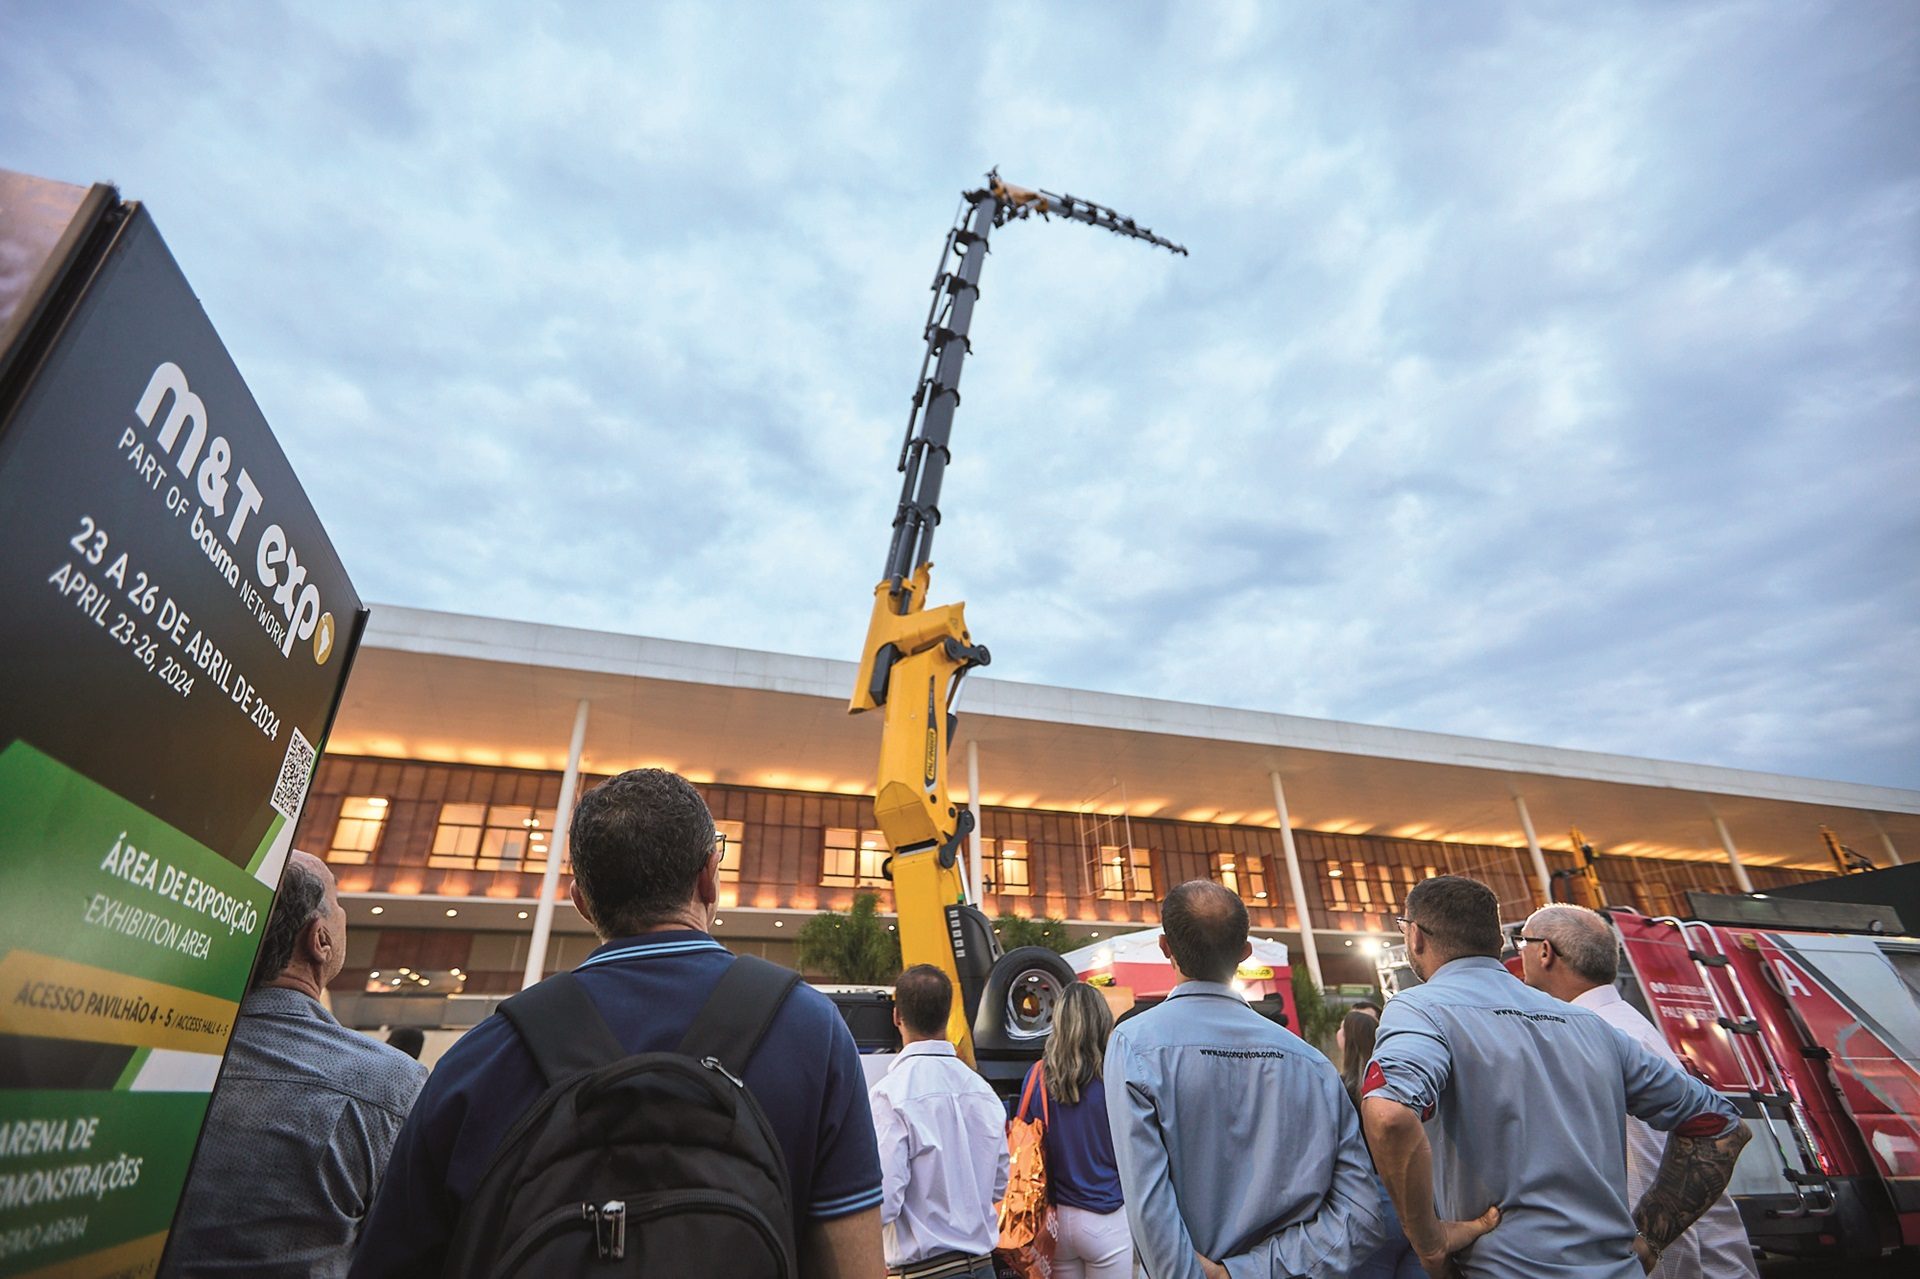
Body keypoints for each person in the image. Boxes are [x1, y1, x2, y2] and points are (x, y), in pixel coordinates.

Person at [351, 769, 883, 1278]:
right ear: (708, 879)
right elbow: (854, 1264)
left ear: (582, 901)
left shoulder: (482, 1055)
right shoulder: (811, 1031)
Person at [1363, 876, 1751, 1279]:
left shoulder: (1421, 1007)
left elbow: (1389, 1116)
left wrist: (1429, 1243)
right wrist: (1650, 1237)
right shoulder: (1587, 1023)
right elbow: (1721, 1126)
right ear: (1497, 941)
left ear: (1415, 937)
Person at [163, 852, 426, 1278]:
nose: (344, 915)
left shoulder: (158, 1052)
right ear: (319, 940)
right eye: (339, 904)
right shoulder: (391, 1083)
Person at [1105, 880, 1383, 1279]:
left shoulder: (1136, 1046)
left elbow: (1149, 1210)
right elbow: (1361, 1217)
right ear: (1245, 953)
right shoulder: (1314, 1064)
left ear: (1166, 948)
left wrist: (1221, 1274)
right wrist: (1249, 1271)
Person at [1520, 905, 1759, 1279]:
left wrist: (1650, 1259)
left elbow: (1651, 1168)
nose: (1518, 955)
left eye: (1522, 943)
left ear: (1544, 952)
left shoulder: (1603, 1037)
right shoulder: (1616, 1024)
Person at [868, 964, 1008, 1279]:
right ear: (947, 1014)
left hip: (924, 1271)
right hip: (983, 1267)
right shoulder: (982, 1091)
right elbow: (998, 1185)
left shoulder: (889, 1095)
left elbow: (885, 1200)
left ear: (897, 1016)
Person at [1020, 982, 1127, 1279]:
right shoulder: (1118, 1074)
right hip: (1109, 1216)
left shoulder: (1037, 1076)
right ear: (1102, 1020)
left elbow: (1024, 1145)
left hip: (1055, 1221)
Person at [1337, 1011, 1420, 1279]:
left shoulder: (1339, 1090)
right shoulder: (1395, 1086)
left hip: (1367, 1195)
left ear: (1348, 1038)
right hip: (1413, 1191)